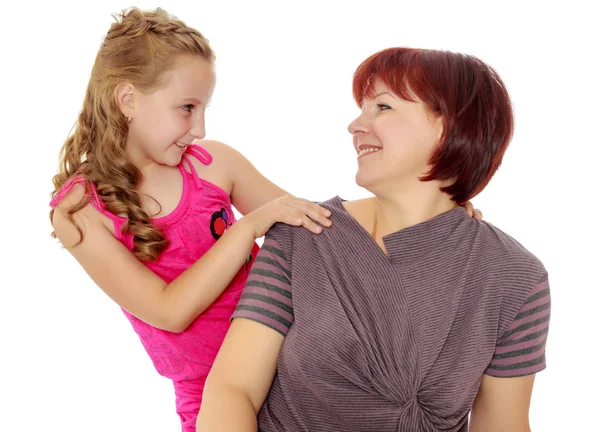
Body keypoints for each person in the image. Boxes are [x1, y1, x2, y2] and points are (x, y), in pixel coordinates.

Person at [197, 47, 550, 432]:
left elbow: (503, 426)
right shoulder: (302, 235)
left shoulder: (516, 278)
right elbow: (232, 390)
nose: (355, 126)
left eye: (382, 107)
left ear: (449, 125)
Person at [48, 8, 336, 432]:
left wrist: (432, 211)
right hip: (208, 401)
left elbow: (320, 229)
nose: (199, 128)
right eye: (186, 108)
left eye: (204, 109)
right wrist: (247, 227)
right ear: (127, 100)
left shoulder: (214, 163)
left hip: (298, 370)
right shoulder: (78, 211)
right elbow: (170, 311)